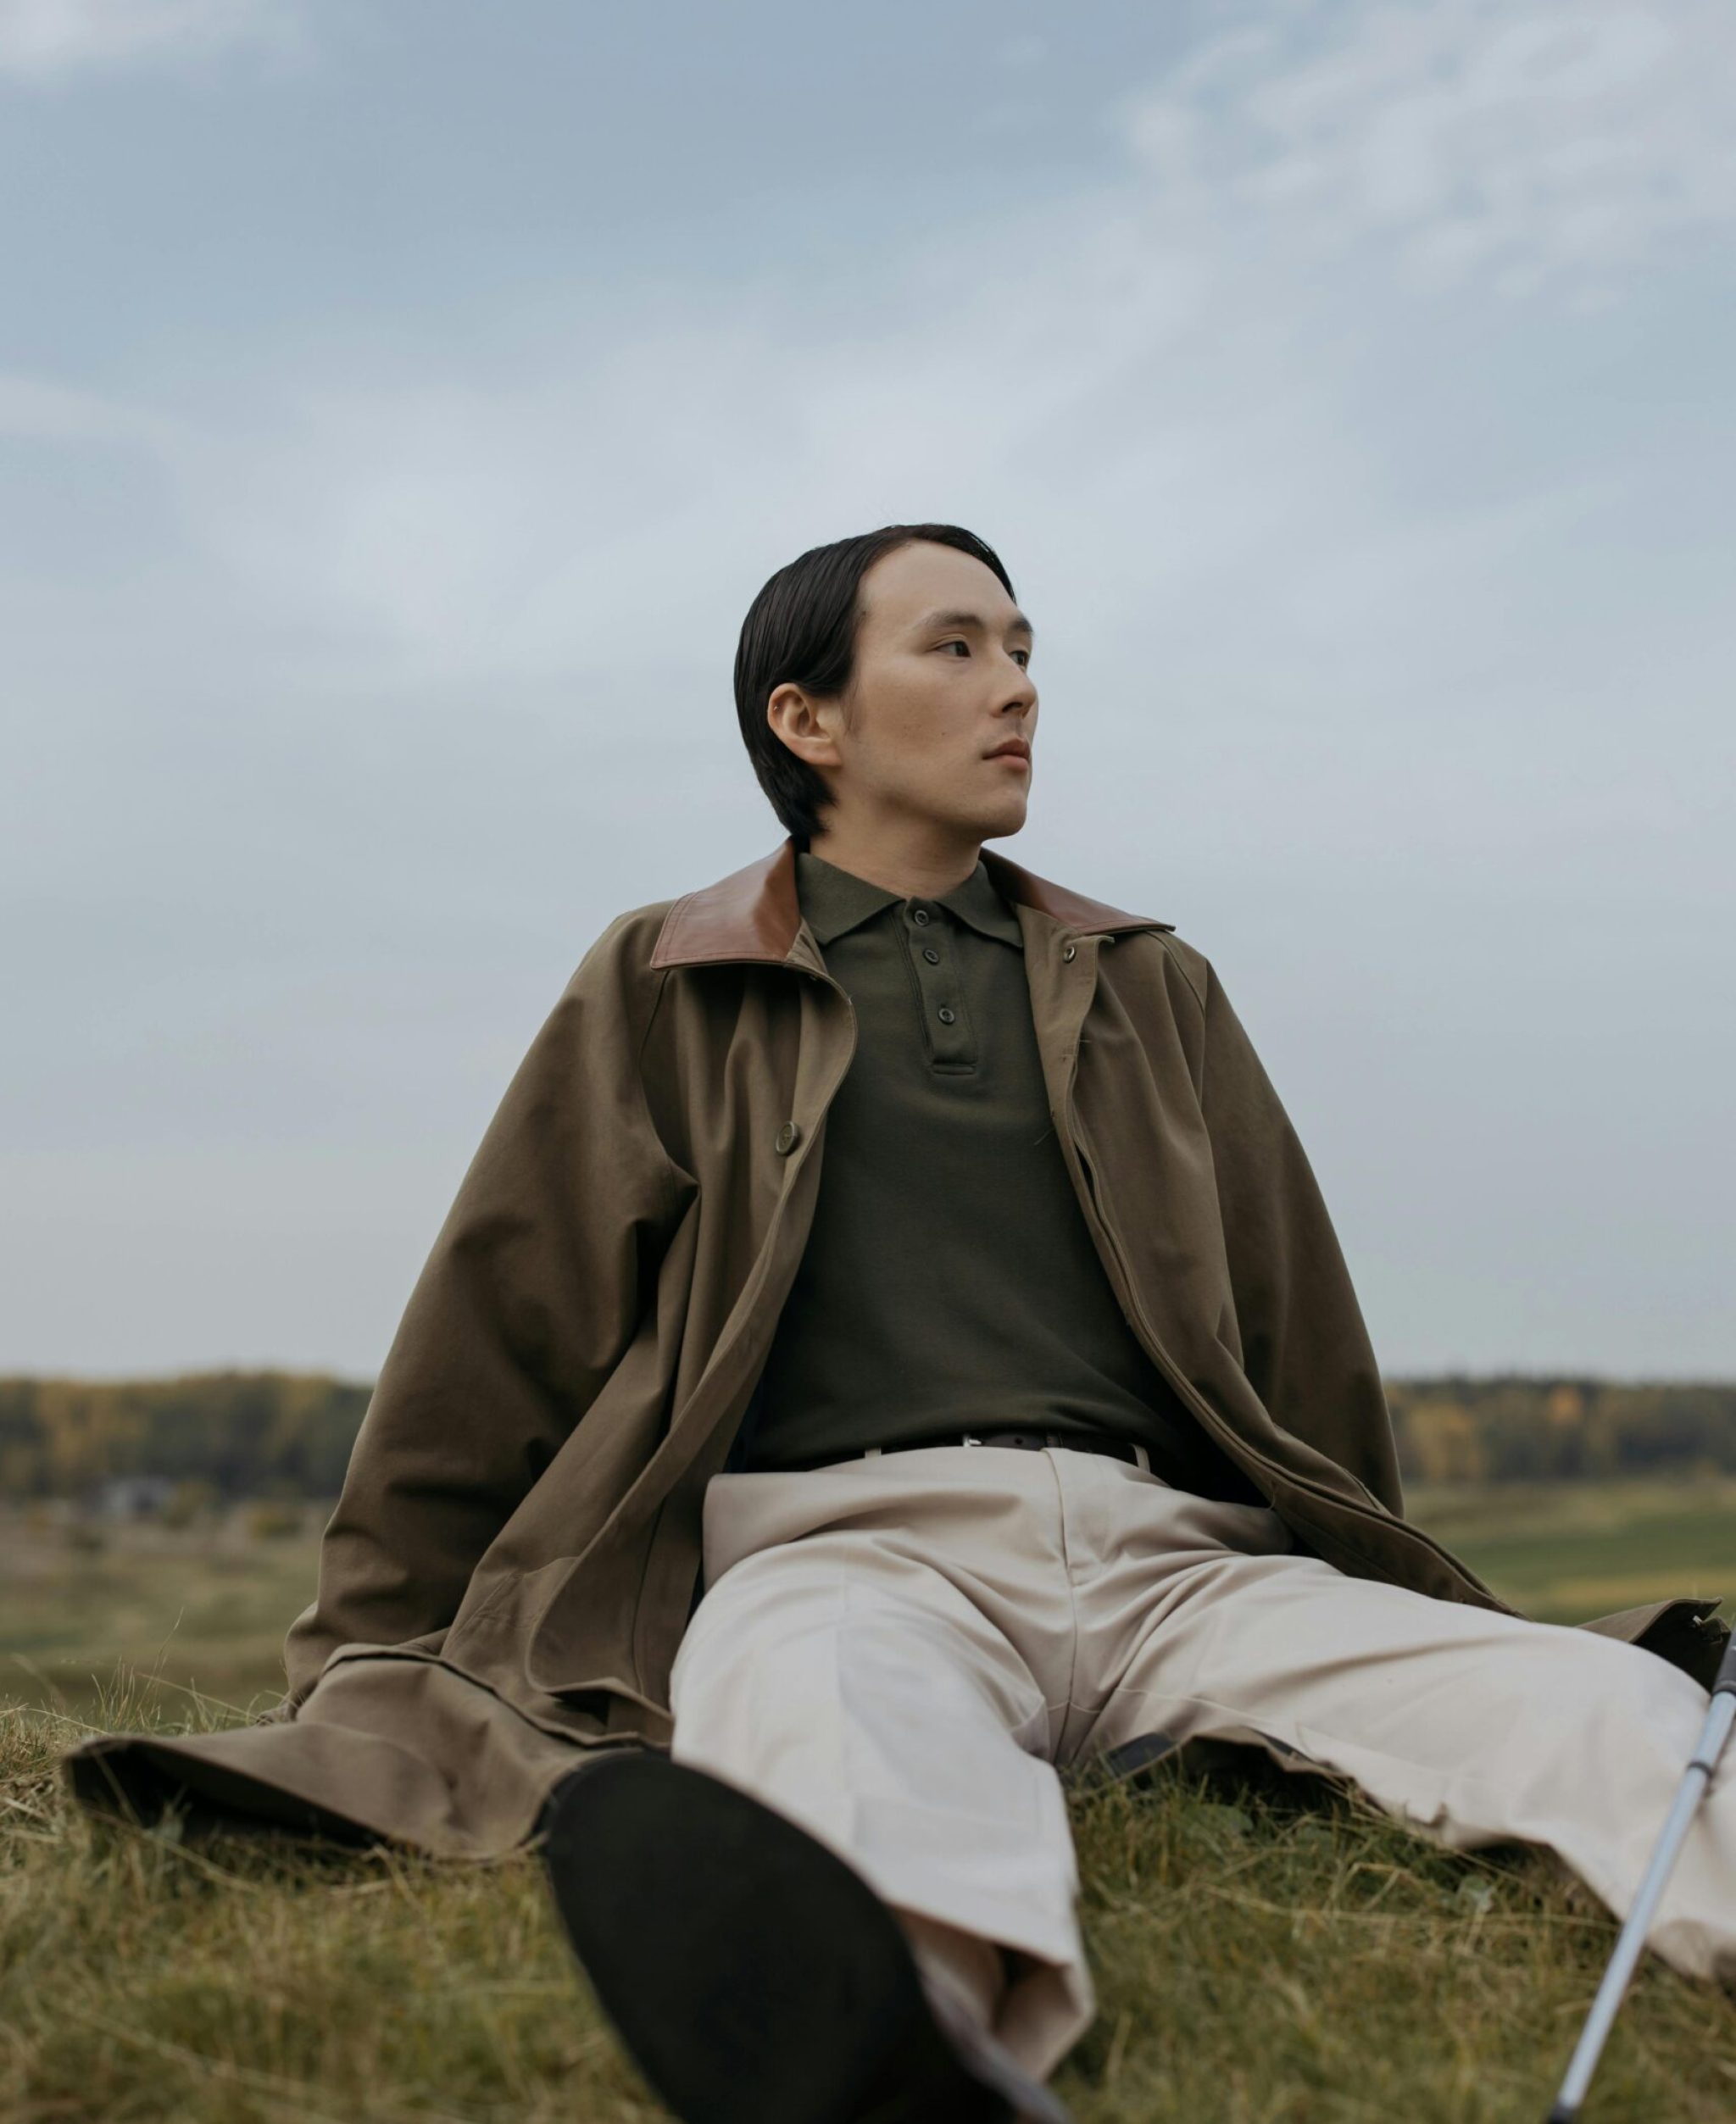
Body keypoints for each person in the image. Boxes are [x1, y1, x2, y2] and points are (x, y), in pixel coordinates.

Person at [66, 525, 1730, 2124]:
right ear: (808, 720)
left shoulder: (1153, 980)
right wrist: (371, 1656)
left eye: (1022, 648)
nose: (1016, 685)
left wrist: (1382, 1585)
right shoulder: (668, 974)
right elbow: (497, 1330)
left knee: (1599, 1709)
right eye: (955, 645)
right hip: (844, 1551)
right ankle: (906, 2054)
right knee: (826, 1726)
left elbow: (1295, 1326)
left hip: (1181, 1564)